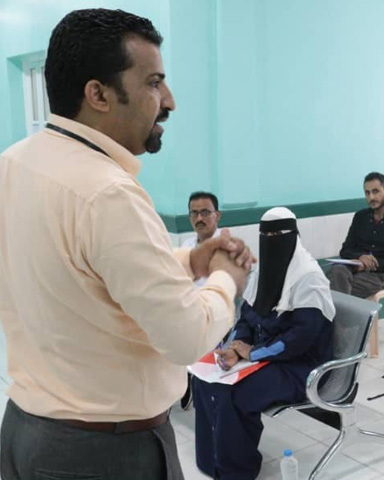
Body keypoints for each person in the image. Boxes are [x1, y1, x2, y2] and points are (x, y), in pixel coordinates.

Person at [0, 9, 254, 480]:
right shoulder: (107, 192)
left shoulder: (13, 165)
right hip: (101, 453)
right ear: (97, 94)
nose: (170, 100)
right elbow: (183, 337)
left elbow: (79, 272)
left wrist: (188, 261)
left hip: (22, 433)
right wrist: (226, 279)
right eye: (154, 82)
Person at [192, 207, 335, 480]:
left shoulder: (308, 278)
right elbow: (246, 318)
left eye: (278, 235)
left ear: (293, 236)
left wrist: (254, 352)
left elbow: (301, 339)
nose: (271, 240)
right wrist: (235, 348)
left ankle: (237, 470)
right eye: (265, 235)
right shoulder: (262, 274)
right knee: (205, 379)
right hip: (263, 357)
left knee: (236, 393)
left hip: (299, 366)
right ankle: (212, 463)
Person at [327, 171, 384, 298]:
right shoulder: (360, 217)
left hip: (380, 275)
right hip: (353, 269)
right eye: (367, 193)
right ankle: (343, 315)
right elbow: (345, 250)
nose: (371, 197)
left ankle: (339, 316)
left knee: (333, 286)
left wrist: (371, 264)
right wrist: (361, 257)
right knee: (336, 271)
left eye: (375, 191)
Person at [179, 191, 224, 411]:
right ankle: (182, 379)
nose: (199, 218)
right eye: (194, 213)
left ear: (218, 216)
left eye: (205, 212)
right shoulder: (186, 245)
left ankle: (192, 379)